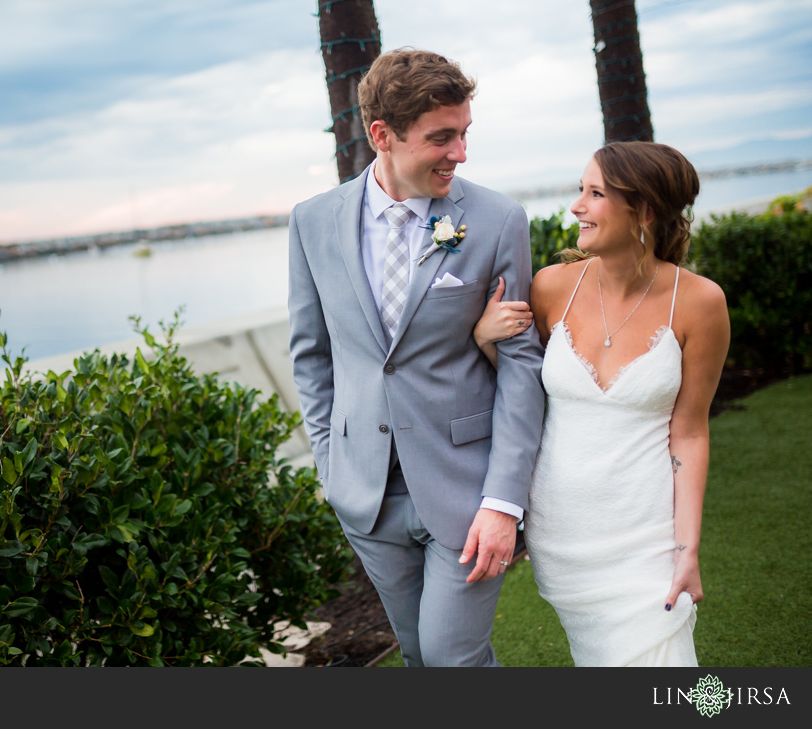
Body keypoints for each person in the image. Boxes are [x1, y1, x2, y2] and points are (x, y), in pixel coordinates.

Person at [287, 49, 544, 667]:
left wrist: (504, 502)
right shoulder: (312, 222)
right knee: (422, 657)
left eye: (463, 134)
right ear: (382, 135)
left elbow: (522, 366)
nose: (460, 153)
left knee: (454, 657)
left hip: (466, 488)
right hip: (366, 494)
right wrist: (331, 464)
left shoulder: (497, 220)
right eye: (441, 137)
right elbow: (311, 356)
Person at [472, 141, 730, 666]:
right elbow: (524, 391)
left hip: (648, 536)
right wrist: (483, 339)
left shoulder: (701, 302)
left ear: (645, 210)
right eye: (580, 190)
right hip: (564, 535)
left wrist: (688, 549)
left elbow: (691, 431)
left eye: (595, 193)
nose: (577, 206)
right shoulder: (550, 287)